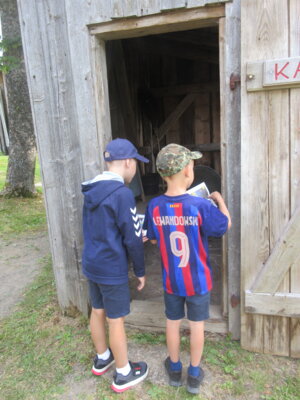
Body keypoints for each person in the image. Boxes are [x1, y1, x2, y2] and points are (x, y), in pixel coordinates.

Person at [143, 144, 231, 395]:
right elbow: (225, 225)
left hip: (172, 280)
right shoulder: (199, 205)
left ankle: (173, 369)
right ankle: (193, 374)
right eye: (191, 165)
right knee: (196, 326)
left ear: (162, 174)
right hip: (198, 282)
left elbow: (151, 238)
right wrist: (219, 199)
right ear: (186, 172)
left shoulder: (154, 206)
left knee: (172, 322)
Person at [81, 138, 149, 393]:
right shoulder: (122, 194)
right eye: (136, 165)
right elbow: (131, 237)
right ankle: (123, 373)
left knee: (97, 310)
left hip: (93, 263)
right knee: (116, 320)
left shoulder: (91, 190)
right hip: (112, 268)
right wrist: (140, 270)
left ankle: (102, 357)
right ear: (129, 163)